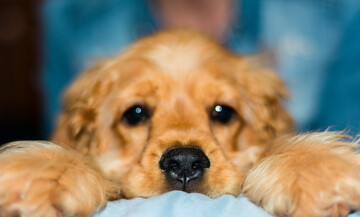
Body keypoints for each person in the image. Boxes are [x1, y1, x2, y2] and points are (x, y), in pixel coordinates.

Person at [41, 0, 360, 137]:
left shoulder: (337, 10)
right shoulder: (73, 16)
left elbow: (346, 156)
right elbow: (65, 149)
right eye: (137, 112)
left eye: (222, 112)